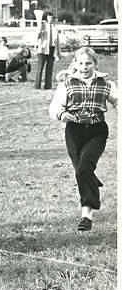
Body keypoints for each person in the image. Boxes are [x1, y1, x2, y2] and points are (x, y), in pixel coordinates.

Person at [48, 47, 117, 231]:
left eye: (88, 63)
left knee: (82, 170)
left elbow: (118, 101)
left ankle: (86, 215)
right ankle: (92, 180)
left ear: (95, 64)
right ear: (75, 64)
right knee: (83, 170)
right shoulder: (67, 84)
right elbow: (54, 107)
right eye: (81, 63)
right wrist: (62, 115)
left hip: (97, 131)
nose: (84, 67)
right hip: (74, 132)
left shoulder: (106, 84)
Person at [34, 13, 60, 90]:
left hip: (52, 49)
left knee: (49, 69)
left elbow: (57, 41)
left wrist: (58, 52)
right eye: (49, 18)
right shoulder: (43, 26)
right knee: (40, 68)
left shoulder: (55, 28)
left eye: (52, 18)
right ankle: (37, 85)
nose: (51, 19)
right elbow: (37, 37)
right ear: (47, 18)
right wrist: (40, 31)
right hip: (43, 49)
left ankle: (48, 85)